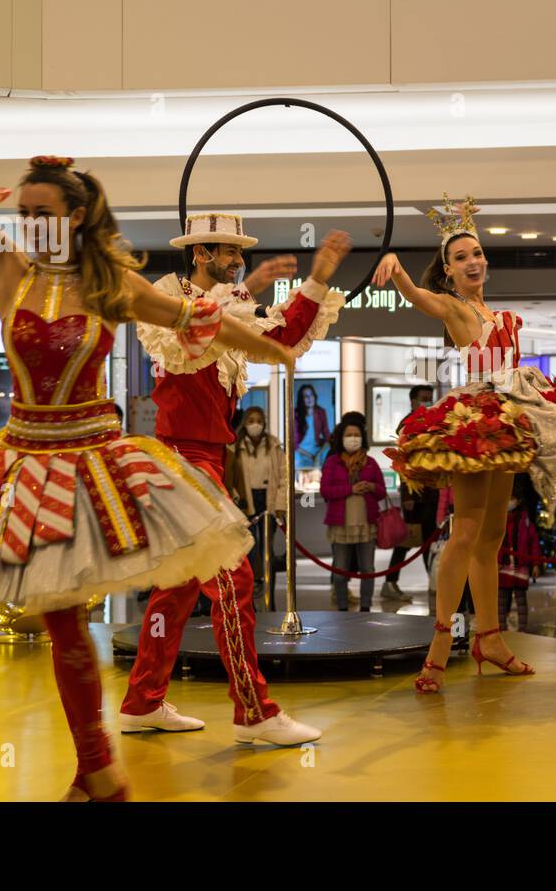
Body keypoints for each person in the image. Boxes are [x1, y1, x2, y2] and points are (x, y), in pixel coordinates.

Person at [0, 42, 300, 801]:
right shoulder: (6, 272)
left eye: (41, 215)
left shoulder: (111, 284)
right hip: (20, 460)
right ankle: (96, 767)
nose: (28, 224)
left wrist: (276, 347)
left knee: (70, 617)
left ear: (75, 218)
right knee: (59, 621)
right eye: (23, 215)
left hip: (92, 464)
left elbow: (203, 318)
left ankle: (99, 770)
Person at [124, 210, 347, 745]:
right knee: (232, 578)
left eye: (239, 253)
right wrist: (248, 289)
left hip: (200, 457)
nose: (237, 261)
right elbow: (191, 342)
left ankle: (142, 701)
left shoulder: (230, 303)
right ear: (201, 253)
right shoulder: (165, 296)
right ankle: (254, 711)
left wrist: (318, 278)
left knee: (177, 586)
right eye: (228, 252)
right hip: (182, 459)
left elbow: (283, 336)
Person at [373, 194, 556, 693]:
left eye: (476, 254)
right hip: (477, 420)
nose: (472, 262)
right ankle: (439, 647)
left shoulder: (497, 313)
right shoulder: (455, 308)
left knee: (492, 537)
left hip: (509, 415)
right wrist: (396, 271)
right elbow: (420, 298)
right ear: (449, 272)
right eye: (460, 258)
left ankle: (490, 638)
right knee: (466, 532)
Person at [225, 405, 287, 612]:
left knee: (267, 550)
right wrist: (236, 500)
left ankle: (270, 598)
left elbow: (283, 477)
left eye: (259, 420)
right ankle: (249, 599)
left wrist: (280, 505)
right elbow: (230, 476)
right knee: (249, 551)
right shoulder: (236, 445)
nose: (255, 425)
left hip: (267, 501)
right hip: (245, 502)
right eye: (251, 420)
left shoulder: (273, 445)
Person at [321, 416, 386, 612]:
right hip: (341, 524)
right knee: (340, 571)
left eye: (357, 435)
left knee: (368, 569)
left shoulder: (371, 462)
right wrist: (351, 489)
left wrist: (371, 486)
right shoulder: (332, 462)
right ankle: (342, 607)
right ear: (341, 438)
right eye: (349, 435)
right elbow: (326, 491)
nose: (353, 438)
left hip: (366, 524)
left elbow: (382, 491)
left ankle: (365, 607)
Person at [383, 383, 439, 603]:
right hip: (414, 494)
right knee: (407, 540)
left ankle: (434, 582)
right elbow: (402, 461)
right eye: (423, 398)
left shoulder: (433, 421)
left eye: (429, 398)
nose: (426, 401)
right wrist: (407, 496)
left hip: (432, 492)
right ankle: (390, 581)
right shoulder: (406, 424)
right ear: (412, 401)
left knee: (428, 540)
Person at [498, 474, 540, 632]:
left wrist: (536, 564)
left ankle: (523, 629)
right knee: (501, 601)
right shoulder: (497, 518)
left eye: (512, 498)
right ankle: (500, 628)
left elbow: (533, 542)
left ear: (519, 500)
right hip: (501, 567)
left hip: (521, 566)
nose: (509, 502)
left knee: (521, 599)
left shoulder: (525, 519)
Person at [295, 383, 332, 470]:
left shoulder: (321, 412)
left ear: (314, 396)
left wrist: (318, 454)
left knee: (328, 451)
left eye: (311, 395)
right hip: (301, 451)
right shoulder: (295, 414)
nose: (309, 398)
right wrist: (311, 456)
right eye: (305, 396)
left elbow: (327, 436)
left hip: (316, 450)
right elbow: (294, 444)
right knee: (294, 457)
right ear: (301, 399)